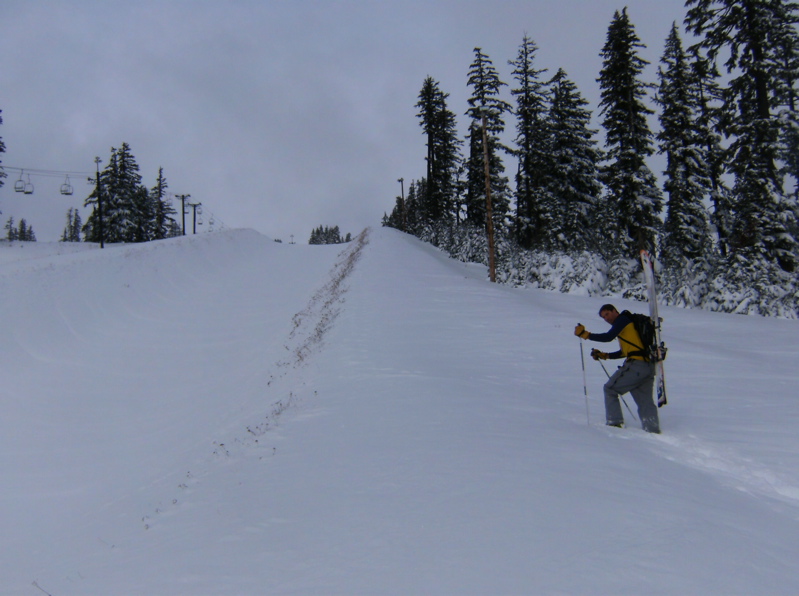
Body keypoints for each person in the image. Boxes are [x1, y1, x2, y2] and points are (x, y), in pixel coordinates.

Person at [574, 304, 660, 433]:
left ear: (615, 311)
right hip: (647, 366)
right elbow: (626, 352)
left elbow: (608, 337)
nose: (606, 319)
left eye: (607, 314)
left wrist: (586, 335)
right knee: (645, 401)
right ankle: (652, 429)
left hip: (636, 365)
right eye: (603, 317)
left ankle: (615, 425)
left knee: (610, 389)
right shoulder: (628, 324)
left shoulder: (622, 320)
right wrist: (606, 355)